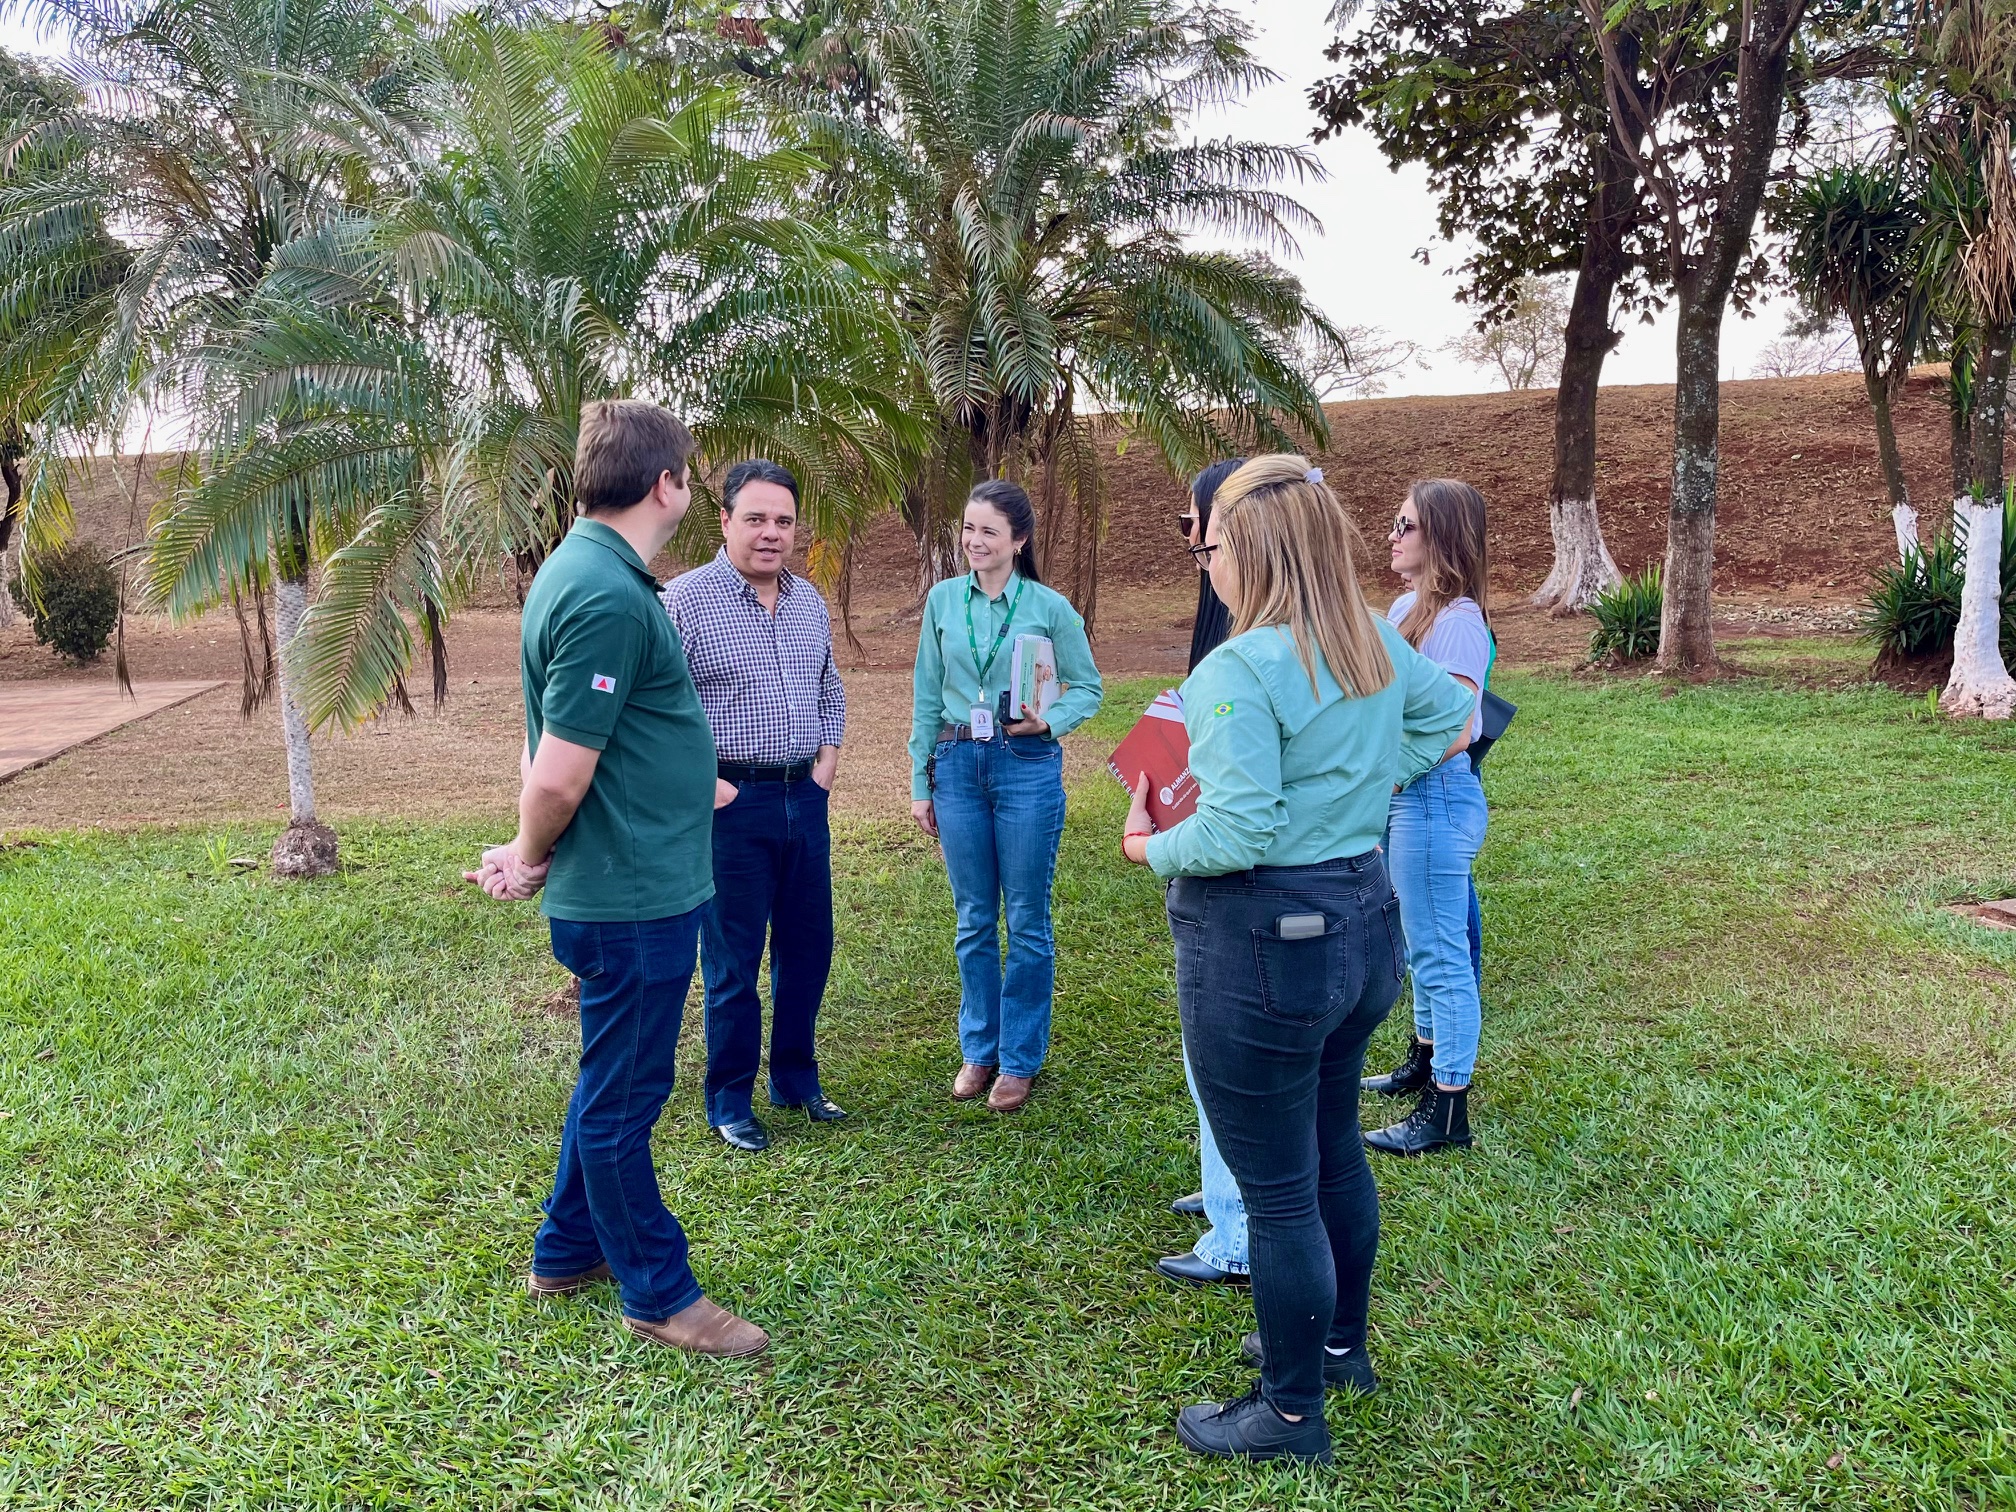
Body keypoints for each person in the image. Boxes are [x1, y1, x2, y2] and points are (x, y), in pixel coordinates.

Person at [1118, 455, 1472, 1463]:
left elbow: (1232, 831)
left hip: (1265, 942)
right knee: (1333, 1150)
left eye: (1211, 547)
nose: (1207, 563)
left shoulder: (1237, 670)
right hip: (1361, 921)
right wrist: (1367, 783)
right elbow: (1455, 721)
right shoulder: (1370, 639)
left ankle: (1286, 1413)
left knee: (1277, 1190)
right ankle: (1338, 1349)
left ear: (1254, 551)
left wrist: (1145, 846)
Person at [465, 399, 766, 1359]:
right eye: (690, 475)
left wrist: (677, 782)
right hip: (633, 897)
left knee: (611, 1078)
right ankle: (659, 1293)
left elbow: (582, 741)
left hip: (638, 878)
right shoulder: (603, 593)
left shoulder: (589, 572)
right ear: (665, 484)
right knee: (625, 1100)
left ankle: (566, 1251)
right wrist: (528, 852)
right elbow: (558, 771)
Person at [665, 459, 847, 1154]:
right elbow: (656, 707)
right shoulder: (685, 601)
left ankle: (795, 1080)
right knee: (733, 959)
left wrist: (826, 762)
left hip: (805, 798)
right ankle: (730, 1098)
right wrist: (705, 784)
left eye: (783, 521)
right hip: (728, 806)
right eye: (756, 519)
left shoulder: (808, 602)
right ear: (724, 521)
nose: (771, 533)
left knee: (808, 947)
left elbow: (829, 686)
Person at [909, 479, 1103, 1113]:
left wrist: (1049, 722)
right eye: (968, 528)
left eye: (989, 530)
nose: (974, 541)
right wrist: (920, 783)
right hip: (956, 763)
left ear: (1019, 540)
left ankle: (1019, 1058)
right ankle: (979, 1048)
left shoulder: (1049, 607)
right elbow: (926, 695)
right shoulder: (942, 600)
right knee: (972, 918)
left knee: (1026, 918)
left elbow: (1088, 688)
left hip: (1026, 766)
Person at [1363, 480, 1496, 1155]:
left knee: (1442, 953)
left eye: (1405, 524)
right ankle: (1423, 1057)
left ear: (1441, 536)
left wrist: (1391, 773)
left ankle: (1447, 1109)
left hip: (1434, 796)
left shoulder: (1460, 622)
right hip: (1406, 799)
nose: (1392, 535)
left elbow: (1460, 727)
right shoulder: (1405, 608)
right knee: (1420, 942)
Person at [1159, 458, 1252, 1290]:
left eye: (1199, 529)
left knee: (1224, 1058)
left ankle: (1238, 1233)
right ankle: (1229, 1191)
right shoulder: (1254, 628)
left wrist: (1147, 847)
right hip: (1310, 897)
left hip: (1241, 893)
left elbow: (1236, 824)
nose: (1192, 543)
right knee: (1219, 1059)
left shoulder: (1247, 650)